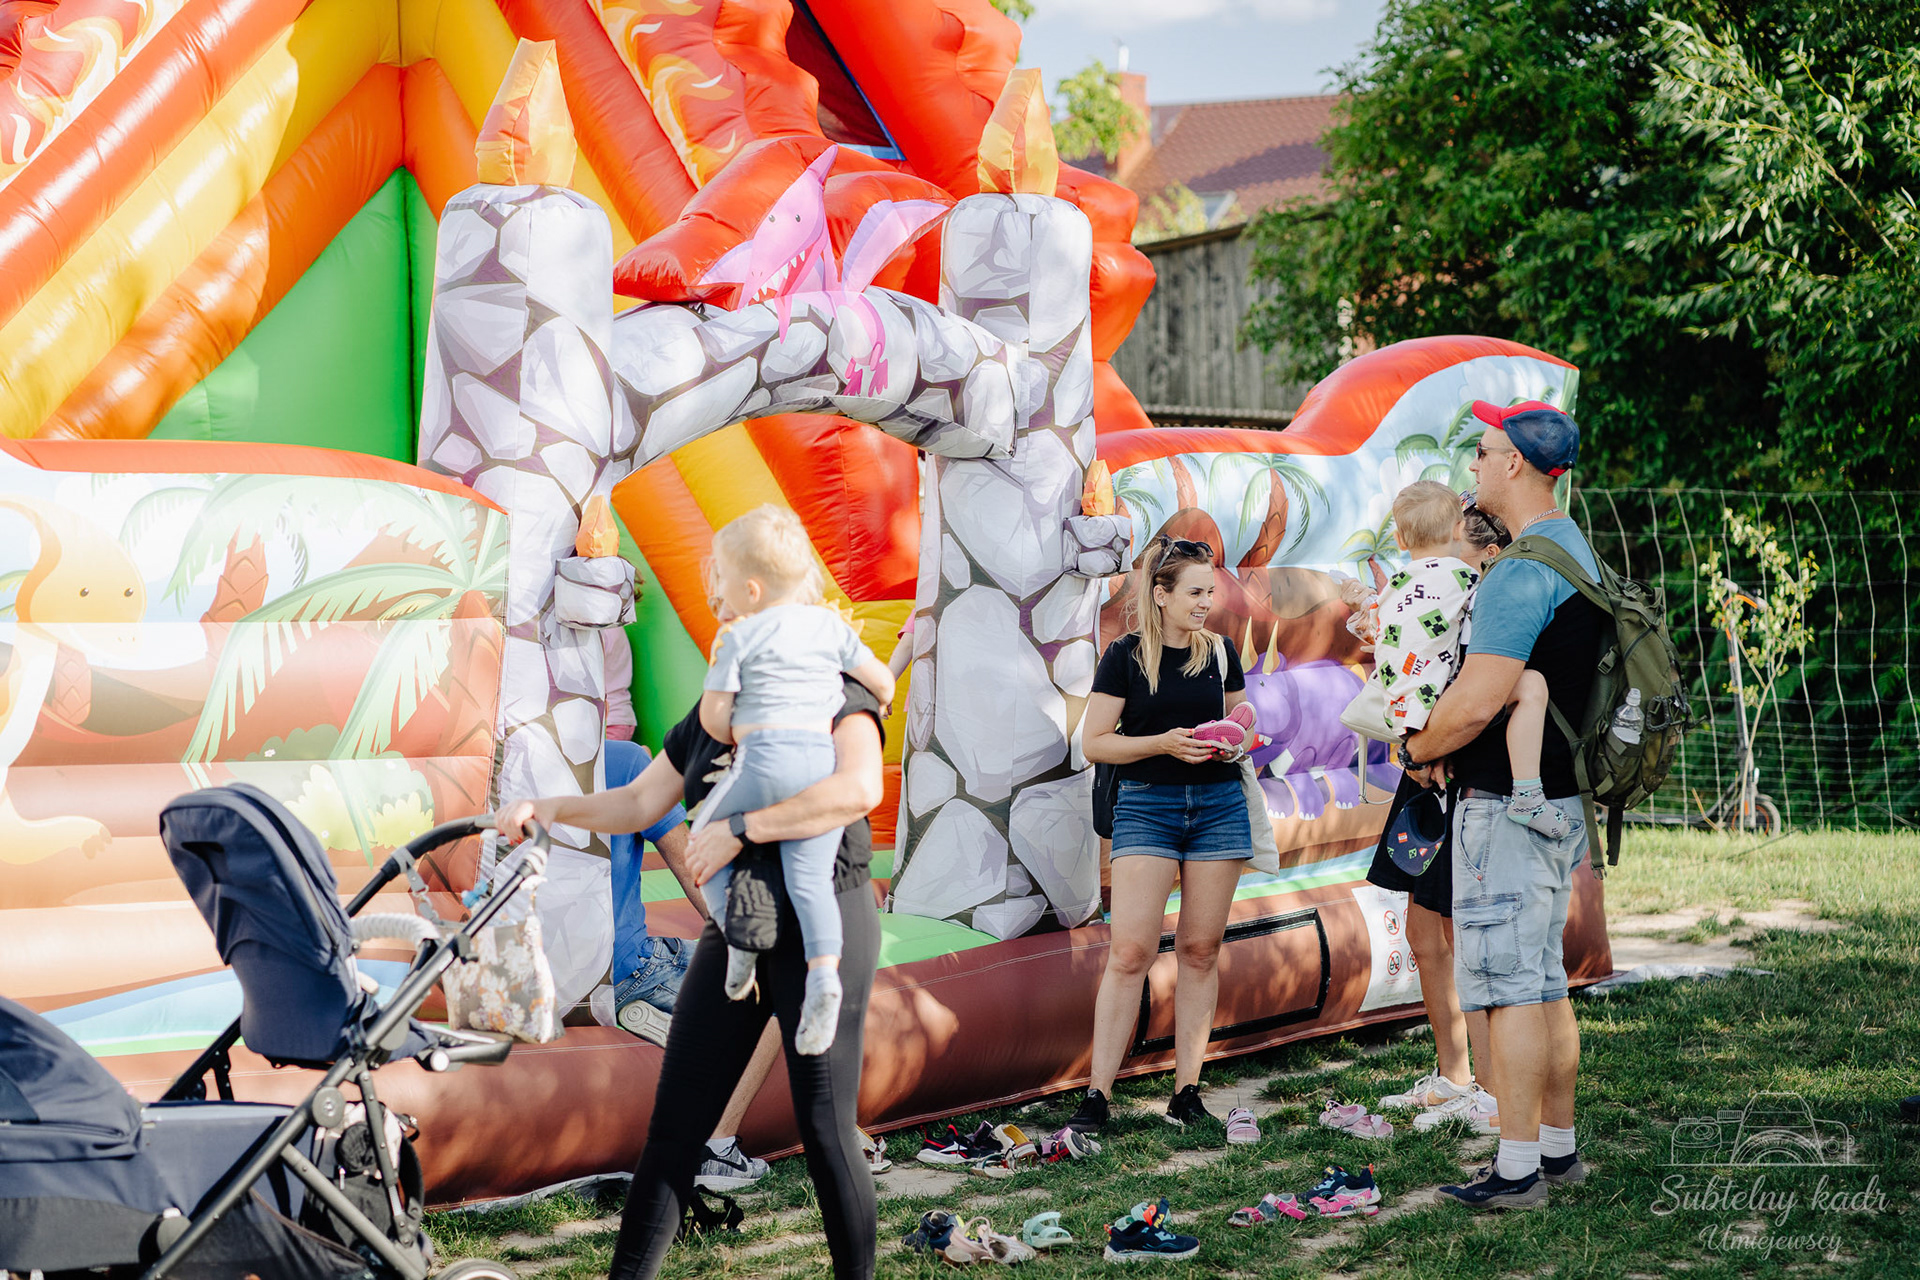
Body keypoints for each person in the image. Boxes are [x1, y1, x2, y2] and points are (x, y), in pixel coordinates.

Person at [499, 664, 886, 1279]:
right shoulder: (711, 712)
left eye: (735, 615)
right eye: (722, 618)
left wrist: (743, 829)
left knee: (825, 1130)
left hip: (822, 920)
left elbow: (859, 789)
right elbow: (637, 801)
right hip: (737, 925)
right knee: (674, 1131)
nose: (725, 625)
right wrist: (552, 806)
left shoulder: (832, 692)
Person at [1400, 400, 1600, 1212]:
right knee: (1544, 983)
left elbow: (1479, 698)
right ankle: (1557, 1151)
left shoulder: (1519, 571)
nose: (1474, 465)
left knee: (1510, 990)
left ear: (1515, 463)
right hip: (1557, 801)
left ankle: (1516, 1171)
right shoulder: (1574, 548)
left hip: (1505, 813)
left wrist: (1416, 748)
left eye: (1483, 451)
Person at [1069, 533, 1254, 1133]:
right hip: (1147, 804)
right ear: (1161, 594)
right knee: (1130, 952)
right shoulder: (1124, 655)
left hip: (1219, 805)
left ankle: (1187, 1091)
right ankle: (1097, 1095)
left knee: (1201, 950)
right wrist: (1164, 744)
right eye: (1195, 592)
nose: (1207, 602)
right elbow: (1095, 742)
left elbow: (1243, 723)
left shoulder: (1221, 651)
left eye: (1210, 591)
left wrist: (1234, 743)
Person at [694, 506, 894, 1055]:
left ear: (751, 590)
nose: (720, 590)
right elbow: (880, 681)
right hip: (817, 763)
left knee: (703, 842)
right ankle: (824, 977)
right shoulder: (830, 626)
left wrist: (735, 721)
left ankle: (738, 939)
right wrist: (879, 701)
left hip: (762, 760)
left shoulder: (737, 636)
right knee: (810, 882)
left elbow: (715, 720)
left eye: (723, 579)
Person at [1364, 492, 1511, 1132]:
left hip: (1454, 769)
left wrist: (1427, 746)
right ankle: (1454, 1076)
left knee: (1462, 933)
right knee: (1424, 932)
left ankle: (1494, 1089)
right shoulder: (1425, 589)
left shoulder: (1480, 594)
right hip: (1424, 767)